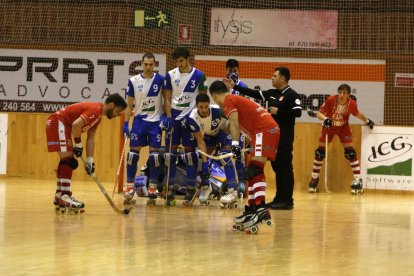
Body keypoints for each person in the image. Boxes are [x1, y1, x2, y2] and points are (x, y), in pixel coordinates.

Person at [223, 67, 302, 210]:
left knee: (285, 168)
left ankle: (287, 200)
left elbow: (298, 112)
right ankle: (279, 198)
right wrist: (235, 86)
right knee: (277, 167)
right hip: (272, 136)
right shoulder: (272, 93)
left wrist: (280, 111)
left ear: (283, 79)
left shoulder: (292, 95)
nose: (272, 78)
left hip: (285, 137)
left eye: (274, 76)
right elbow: (253, 93)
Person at [209, 80, 280, 232]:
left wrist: (235, 144)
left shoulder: (228, 101)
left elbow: (234, 123)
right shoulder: (235, 99)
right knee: (250, 171)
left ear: (214, 96)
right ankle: (252, 209)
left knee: (255, 169)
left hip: (264, 130)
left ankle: (260, 208)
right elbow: (240, 125)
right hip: (262, 131)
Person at [46, 93, 127, 213]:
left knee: (67, 161)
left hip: (60, 124)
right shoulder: (95, 110)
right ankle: (65, 196)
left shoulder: (98, 117)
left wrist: (90, 160)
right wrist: (78, 144)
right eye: (118, 110)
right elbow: (76, 125)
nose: (118, 114)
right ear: (111, 105)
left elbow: (90, 139)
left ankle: (60, 195)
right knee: (69, 161)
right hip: (59, 123)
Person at [161, 46, 208, 206]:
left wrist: (196, 118)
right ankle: (170, 188)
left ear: (188, 58)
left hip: (190, 119)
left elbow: (203, 99)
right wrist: (168, 118)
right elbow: (167, 98)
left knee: (190, 156)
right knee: (170, 155)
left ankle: (190, 189)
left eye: (182, 60)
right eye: (177, 61)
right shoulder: (170, 75)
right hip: (174, 118)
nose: (179, 64)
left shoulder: (200, 76)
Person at [308, 83, 374, 194]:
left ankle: (358, 180)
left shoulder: (351, 104)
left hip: (343, 127)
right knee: (320, 152)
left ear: (348, 95)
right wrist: (325, 119)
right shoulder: (330, 100)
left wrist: (367, 121)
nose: (341, 95)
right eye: (339, 92)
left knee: (350, 152)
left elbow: (357, 114)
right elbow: (319, 114)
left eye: (344, 93)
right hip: (329, 126)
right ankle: (314, 178)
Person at [122, 53, 165, 205]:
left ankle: (152, 187)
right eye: (145, 64)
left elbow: (167, 99)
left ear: (154, 65)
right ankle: (129, 186)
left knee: (154, 157)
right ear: (141, 64)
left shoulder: (161, 80)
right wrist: (126, 123)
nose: (148, 67)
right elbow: (129, 104)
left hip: (155, 123)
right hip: (139, 122)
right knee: (132, 155)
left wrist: (166, 116)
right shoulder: (134, 81)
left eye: (151, 65)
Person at [182, 93, 239, 207]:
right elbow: (200, 141)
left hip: (227, 132)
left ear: (209, 105)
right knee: (201, 160)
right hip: (210, 136)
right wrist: (204, 162)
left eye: (206, 107)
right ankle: (206, 188)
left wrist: (224, 133)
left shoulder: (218, 110)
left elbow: (234, 120)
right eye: (201, 107)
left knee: (224, 156)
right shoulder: (192, 118)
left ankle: (233, 192)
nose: (204, 110)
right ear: (196, 106)